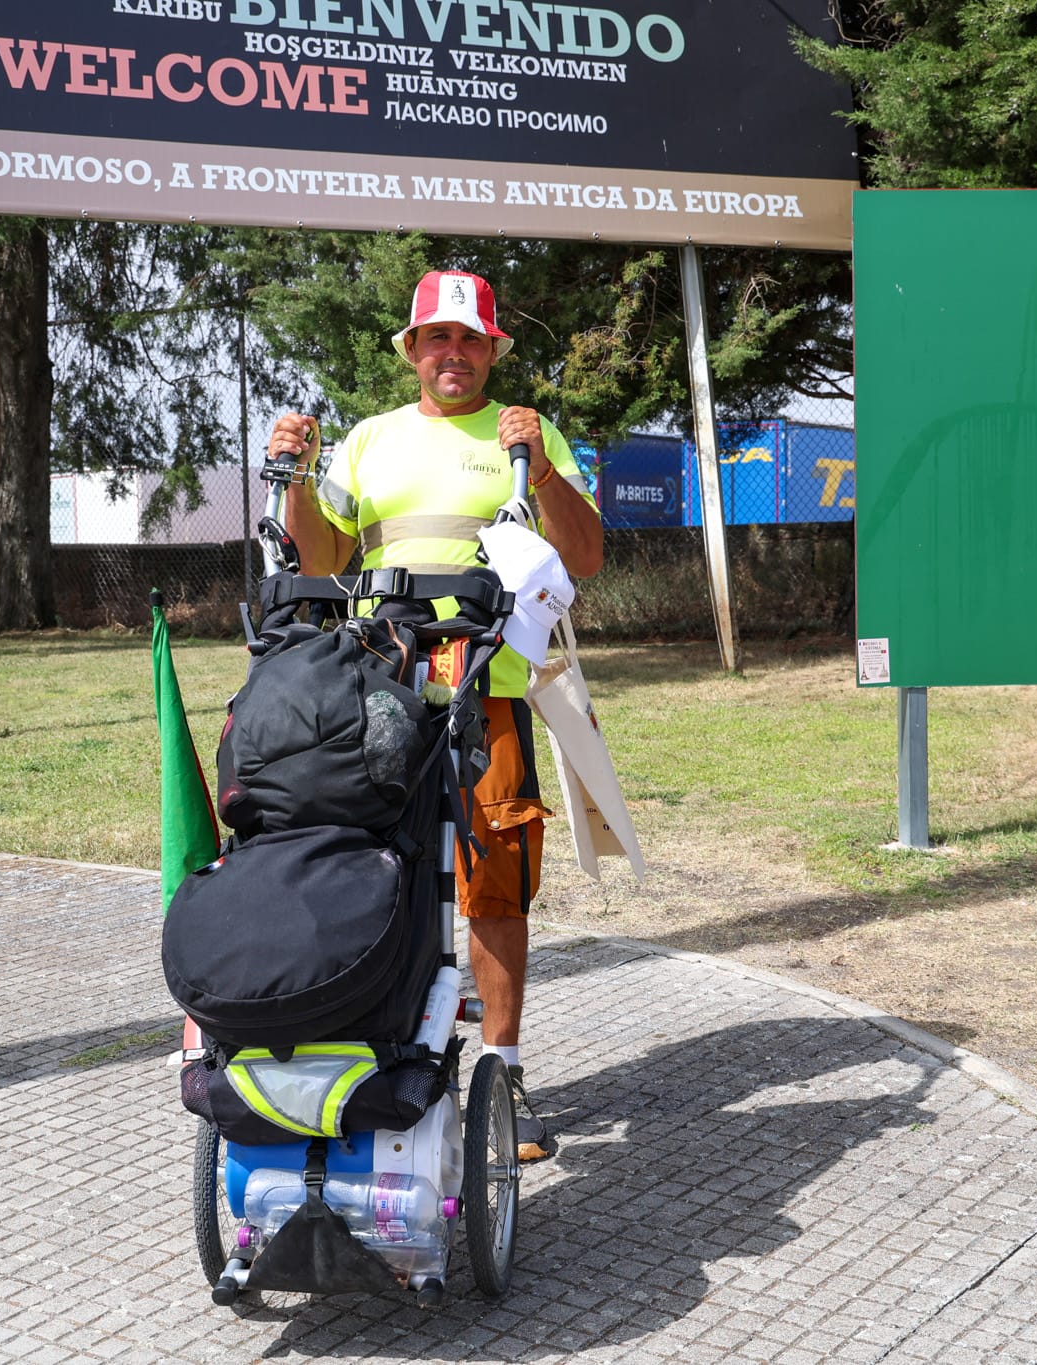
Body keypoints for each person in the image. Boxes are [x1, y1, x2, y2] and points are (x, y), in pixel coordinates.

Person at [267, 269, 603, 1162]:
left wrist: (543, 467)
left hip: (488, 685)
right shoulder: (369, 441)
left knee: (494, 879)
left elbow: (585, 555)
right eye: (438, 337)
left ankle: (503, 1075)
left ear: (492, 349)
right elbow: (323, 557)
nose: (454, 352)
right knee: (378, 869)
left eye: (471, 338)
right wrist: (295, 478)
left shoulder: (526, 433)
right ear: (413, 349)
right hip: (379, 686)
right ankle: (385, 1062)